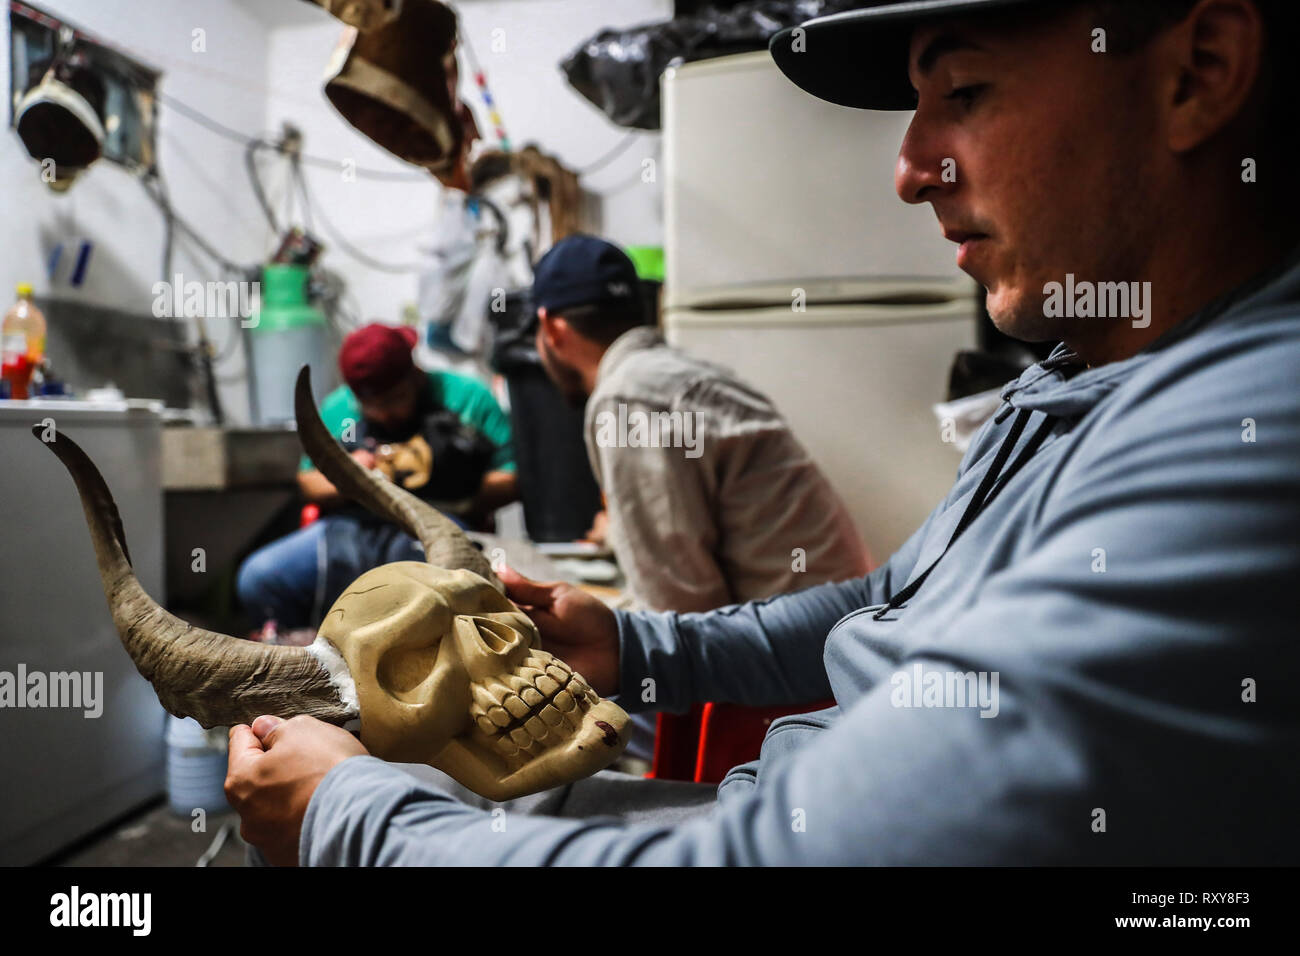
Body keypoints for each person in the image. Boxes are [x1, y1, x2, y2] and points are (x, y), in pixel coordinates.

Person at [226, 0, 1300, 864]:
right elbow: (890, 601)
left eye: (963, 91)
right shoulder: (1072, 378)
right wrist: (637, 646)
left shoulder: (1247, 431)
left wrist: (345, 818)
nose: (908, 167)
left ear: (1195, 70)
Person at [236, 322, 517, 630]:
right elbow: (308, 481)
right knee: (259, 578)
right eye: (371, 406)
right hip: (352, 527)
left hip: (439, 526)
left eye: (394, 399)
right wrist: (348, 475)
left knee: (438, 592)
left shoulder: (467, 399)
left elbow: (512, 478)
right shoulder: (339, 408)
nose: (383, 414)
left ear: (415, 373)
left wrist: (447, 483)